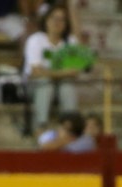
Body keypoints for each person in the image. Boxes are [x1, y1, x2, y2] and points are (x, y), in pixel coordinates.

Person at [22, 2, 90, 135]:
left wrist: (49, 73)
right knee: (46, 85)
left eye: (62, 19)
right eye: (54, 18)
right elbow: (36, 72)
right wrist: (63, 72)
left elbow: (75, 72)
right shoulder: (36, 40)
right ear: (46, 20)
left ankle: (71, 127)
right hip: (33, 85)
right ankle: (40, 127)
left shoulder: (70, 41)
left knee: (67, 87)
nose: (57, 22)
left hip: (60, 84)